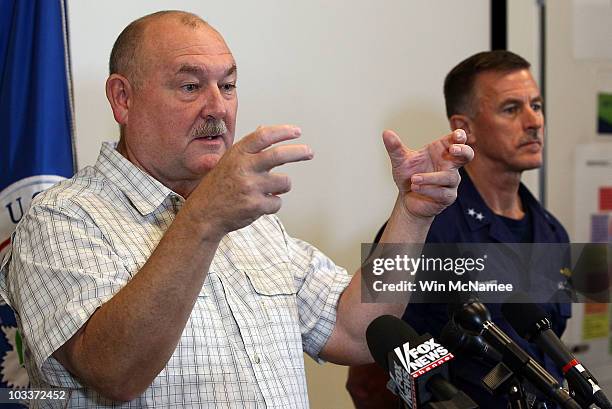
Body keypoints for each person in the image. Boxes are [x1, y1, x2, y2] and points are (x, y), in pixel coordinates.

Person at [0, 10, 473, 408]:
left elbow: (357, 330)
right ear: (123, 99)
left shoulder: (253, 221)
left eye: (227, 86)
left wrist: (413, 212)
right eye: (190, 87)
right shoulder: (61, 218)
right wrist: (204, 219)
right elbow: (115, 373)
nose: (218, 108)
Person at [347, 50, 571, 409]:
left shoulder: (552, 232)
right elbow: (370, 378)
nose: (534, 121)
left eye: (537, 105)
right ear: (464, 128)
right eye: (512, 109)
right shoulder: (427, 232)